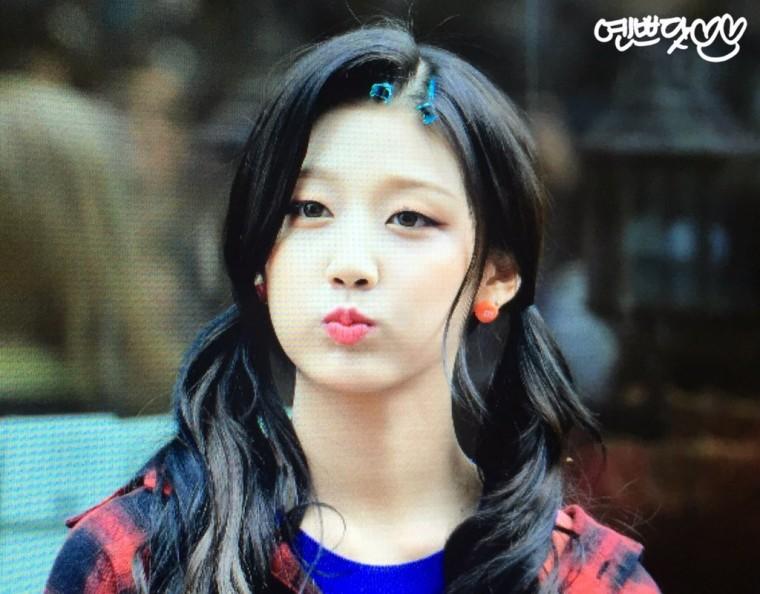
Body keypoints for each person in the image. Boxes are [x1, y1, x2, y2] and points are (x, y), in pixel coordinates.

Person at [44, 18, 662, 594]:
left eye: (409, 217)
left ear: (496, 275)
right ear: (261, 259)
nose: (351, 264)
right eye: (309, 209)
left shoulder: (584, 580)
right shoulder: (139, 559)